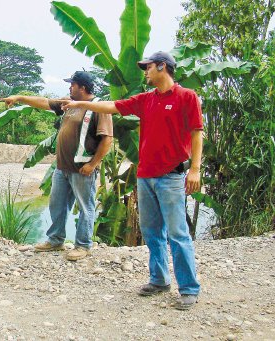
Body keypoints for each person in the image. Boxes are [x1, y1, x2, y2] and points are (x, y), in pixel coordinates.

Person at [61, 52, 202, 310]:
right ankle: (159, 280)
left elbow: (196, 133)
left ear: (162, 67)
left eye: (147, 67)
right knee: (152, 232)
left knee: (178, 234)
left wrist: (195, 168)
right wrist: (83, 105)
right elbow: (113, 106)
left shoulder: (186, 97)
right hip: (145, 175)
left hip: (171, 176)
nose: (144, 72)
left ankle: (189, 288)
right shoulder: (145, 100)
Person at [1, 71, 113, 261]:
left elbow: (107, 140)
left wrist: (93, 164)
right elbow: (44, 102)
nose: (69, 87)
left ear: (83, 87)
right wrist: (19, 97)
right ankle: (55, 240)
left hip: (82, 169)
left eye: (72, 85)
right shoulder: (68, 104)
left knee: (86, 207)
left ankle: (83, 245)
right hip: (62, 168)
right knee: (57, 205)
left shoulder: (98, 108)